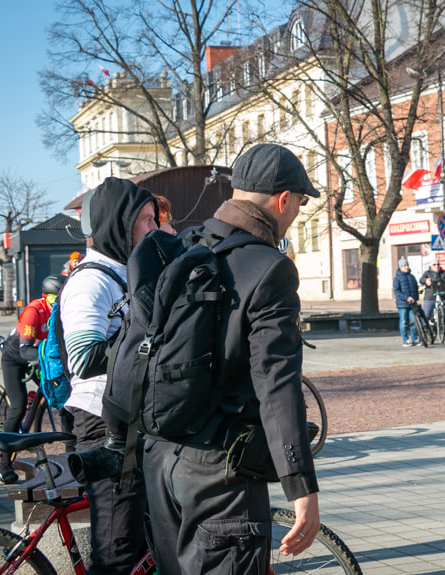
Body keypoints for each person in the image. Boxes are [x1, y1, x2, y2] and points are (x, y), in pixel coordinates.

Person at [142, 143, 321, 574]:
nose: (295, 212)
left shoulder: (185, 246)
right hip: (221, 473)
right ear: (283, 200)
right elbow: (276, 383)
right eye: (298, 202)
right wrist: (302, 487)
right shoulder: (269, 268)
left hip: (161, 459)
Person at [60, 177, 159, 574]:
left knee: (142, 545)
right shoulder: (91, 281)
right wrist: (148, 343)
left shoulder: (124, 272)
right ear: (120, 223)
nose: (153, 228)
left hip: (129, 418)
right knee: (115, 554)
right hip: (103, 423)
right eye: (147, 220)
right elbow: (83, 358)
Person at [0, 274, 66, 484]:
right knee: (18, 407)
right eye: (55, 299)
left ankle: (73, 456)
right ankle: (4, 465)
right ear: (46, 297)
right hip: (16, 358)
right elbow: (25, 349)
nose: (58, 303)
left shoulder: (62, 311)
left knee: (64, 399)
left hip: (40, 359)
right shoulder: (33, 311)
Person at [420, 258, 445, 341]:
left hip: (442, 295)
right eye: (434, 265)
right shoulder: (427, 273)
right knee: (426, 315)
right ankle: (423, 333)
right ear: (431, 266)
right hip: (430, 296)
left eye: (438, 264)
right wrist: (425, 280)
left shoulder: (443, 273)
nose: (436, 266)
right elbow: (421, 280)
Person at [394, 257, 419, 346]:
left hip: (412, 303)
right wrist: (406, 297)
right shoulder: (397, 278)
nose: (406, 267)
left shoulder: (411, 277)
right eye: (404, 265)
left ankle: (414, 339)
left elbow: (416, 288)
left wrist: (415, 298)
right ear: (400, 267)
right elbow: (396, 291)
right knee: (404, 321)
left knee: (414, 321)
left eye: (407, 265)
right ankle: (405, 339)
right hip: (402, 304)